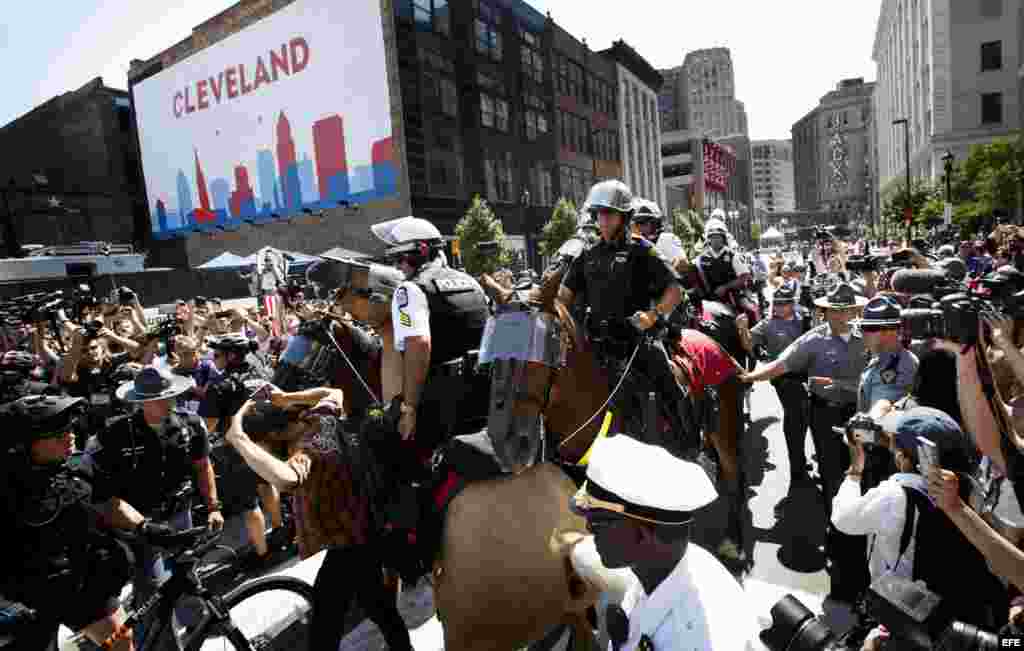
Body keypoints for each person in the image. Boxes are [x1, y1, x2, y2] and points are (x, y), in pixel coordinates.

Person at [226, 389, 414, 651]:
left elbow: (286, 479)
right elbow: (334, 392)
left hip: (349, 541)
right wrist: (286, 397)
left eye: (260, 448)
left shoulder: (308, 450)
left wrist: (238, 438)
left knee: (326, 623)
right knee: (375, 602)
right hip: (364, 528)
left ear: (274, 435)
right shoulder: (320, 418)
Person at [0, 395, 174, 651]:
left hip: (80, 585)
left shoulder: (76, 465)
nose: (70, 436)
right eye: (58, 434)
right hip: (27, 598)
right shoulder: (6, 487)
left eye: (70, 429)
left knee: (121, 641)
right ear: (26, 444)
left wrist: (144, 526)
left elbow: (108, 502)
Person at [740, 282, 868, 602]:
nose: (839, 316)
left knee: (863, 476)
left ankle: (860, 537)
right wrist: (749, 377)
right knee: (832, 476)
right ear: (826, 311)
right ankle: (839, 539)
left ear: (854, 311)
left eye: (845, 310)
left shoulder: (868, 338)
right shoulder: (812, 339)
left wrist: (842, 385)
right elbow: (782, 364)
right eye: (833, 310)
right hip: (824, 416)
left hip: (859, 417)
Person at [569, 434, 758, 650]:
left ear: (642, 535)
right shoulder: (667, 566)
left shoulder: (689, 640)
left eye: (597, 522)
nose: (588, 528)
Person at [556, 180, 695, 455]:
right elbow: (563, 296)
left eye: (609, 213)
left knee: (666, 378)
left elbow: (674, 290)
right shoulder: (587, 254)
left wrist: (653, 315)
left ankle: (688, 440)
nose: (603, 220)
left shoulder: (642, 250)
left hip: (636, 341)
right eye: (599, 213)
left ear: (624, 216)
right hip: (596, 345)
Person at [84, 366, 223, 609]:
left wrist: (213, 507)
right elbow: (104, 495)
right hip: (142, 524)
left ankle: (195, 623)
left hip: (181, 515)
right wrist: (141, 526)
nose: (168, 403)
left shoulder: (190, 424)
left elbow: (203, 466)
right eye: (159, 399)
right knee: (152, 592)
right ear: (141, 402)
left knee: (187, 579)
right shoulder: (113, 435)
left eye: (171, 396)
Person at [745, 283, 810, 484]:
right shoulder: (767, 324)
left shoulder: (805, 320)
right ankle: (796, 464)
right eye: (777, 303)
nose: (779, 307)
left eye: (784, 303)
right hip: (784, 379)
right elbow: (748, 343)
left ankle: (801, 459)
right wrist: (741, 329)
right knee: (794, 418)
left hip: (808, 376)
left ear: (792, 304)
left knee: (806, 419)